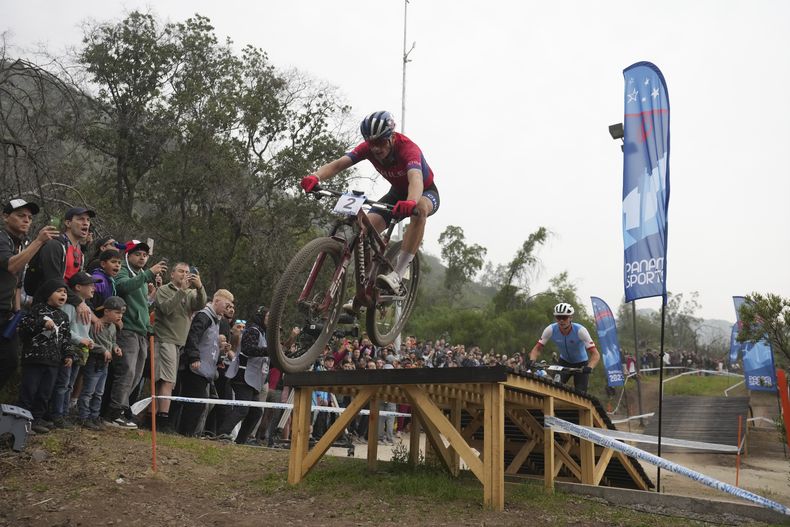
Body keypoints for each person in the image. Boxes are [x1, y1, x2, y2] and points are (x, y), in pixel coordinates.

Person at [300, 110, 439, 294]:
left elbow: (415, 178)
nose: (376, 149)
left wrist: (411, 201)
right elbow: (339, 164)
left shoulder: (408, 149)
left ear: (391, 137)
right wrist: (315, 176)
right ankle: (366, 286)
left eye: (380, 143)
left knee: (420, 209)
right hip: (396, 194)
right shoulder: (368, 148)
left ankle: (398, 273)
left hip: (424, 192)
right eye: (371, 143)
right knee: (364, 231)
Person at [105, 240, 167, 428]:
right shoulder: (124, 270)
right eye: (138, 254)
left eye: (145, 255)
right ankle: (113, 412)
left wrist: (152, 293)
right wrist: (149, 274)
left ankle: (122, 409)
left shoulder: (141, 275)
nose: (142, 258)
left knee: (137, 374)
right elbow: (123, 287)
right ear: (129, 255)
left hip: (141, 330)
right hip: (128, 330)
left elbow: (143, 303)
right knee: (127, 371)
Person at [0, 199, 59, 389]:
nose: (26, 220)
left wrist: (17, 313)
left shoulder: (18, 243)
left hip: (7, 316)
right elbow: (12, 266)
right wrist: (39, 241)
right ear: (5, 217)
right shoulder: (1, 238)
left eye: (29, 217)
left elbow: (17, 283)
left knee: (9, 362)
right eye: (20, 216)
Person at [152, 262, 206, 433]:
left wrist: (199, 287)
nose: (184, 274)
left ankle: (155, 417)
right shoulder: (164, 290)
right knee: (166, 380)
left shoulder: (190, 292)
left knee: (167, 381)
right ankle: (162, 418)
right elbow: (166, 308)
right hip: (165, 339)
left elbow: (200, 305)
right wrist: (181, 290)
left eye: (188, 272)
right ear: (172, 274)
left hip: (178, 343)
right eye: (181, 271)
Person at [17, 279, 76, 434]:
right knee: (29, 390)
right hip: (34, 359)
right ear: (48, 294)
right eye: (59, 291)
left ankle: (35, 420)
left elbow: (66, 337)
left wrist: (68, 354)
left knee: (45, 393)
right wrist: (41, 324)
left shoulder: (63, 316)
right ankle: (22, 422)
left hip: (53, 362)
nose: (63, 294)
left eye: (65, 292)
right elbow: (24, 328)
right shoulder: (37, 309)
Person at [23, 207, 96, 327]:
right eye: (80, 219)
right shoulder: (54, 245)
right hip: (47, 307)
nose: (86, 223)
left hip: (67, 305)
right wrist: (78, 302)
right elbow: (53, 280)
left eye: (88, 220)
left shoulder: (79, 252)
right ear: (68, 223)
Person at [178, 289, 235, 437]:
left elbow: (207, 342)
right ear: (216, 301)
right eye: (226, 305)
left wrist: (220, 350)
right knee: (195, 404)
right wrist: (194, 358)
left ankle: (189, 433)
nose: (228, 309)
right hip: (196, 368)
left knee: (201, 404)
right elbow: (193, 337)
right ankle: (186, 433)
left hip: (207, 369)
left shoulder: (216, 320)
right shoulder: (204, 316)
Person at [49, 271, 102, 428]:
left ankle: (64, 414)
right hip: (68, 349)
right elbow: (65, 329)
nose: (94, 288)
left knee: (70, 384)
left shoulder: (86, 307)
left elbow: (84, 331)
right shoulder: (70, 306)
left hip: (80, 351)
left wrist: (89, 340)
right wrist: (81, 340)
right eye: (90, 285)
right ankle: (57, 415)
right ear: (78, 287)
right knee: (63, 383)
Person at [216, 305, 270, 444]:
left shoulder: (263, 334)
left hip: (253, 379)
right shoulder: (252, 331)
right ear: (261, 317)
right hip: (243, 375)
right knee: (242, 409)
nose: (270, 320)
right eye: (268, 317)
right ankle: (222, 433)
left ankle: (241, 441)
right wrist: (268, 351)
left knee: (256, 412)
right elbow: (248, 349)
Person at [528, 303, 600, 393]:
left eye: (564, 317)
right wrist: (531, 360)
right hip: (564, 362)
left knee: (580, 393)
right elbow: (537, 349)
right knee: (554, 388)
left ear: (571, 318)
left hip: (581, 364)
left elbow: (595, 354)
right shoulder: (550, 329)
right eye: (558, 317)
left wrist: (590, 367)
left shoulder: (580, 331)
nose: (561, 320)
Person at [77, 296, 125, 430]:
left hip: (105, 364)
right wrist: (103, 350)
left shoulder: (113, 328)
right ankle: (83, 417)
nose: (119, 316)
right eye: (117, 313)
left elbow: (113, 341)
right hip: (94, 362)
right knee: (89, 391)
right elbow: (91, 342)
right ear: (106, 312)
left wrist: (115, 348)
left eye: (121, 313)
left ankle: (94, 416)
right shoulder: (95, 326)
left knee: (99, 392)